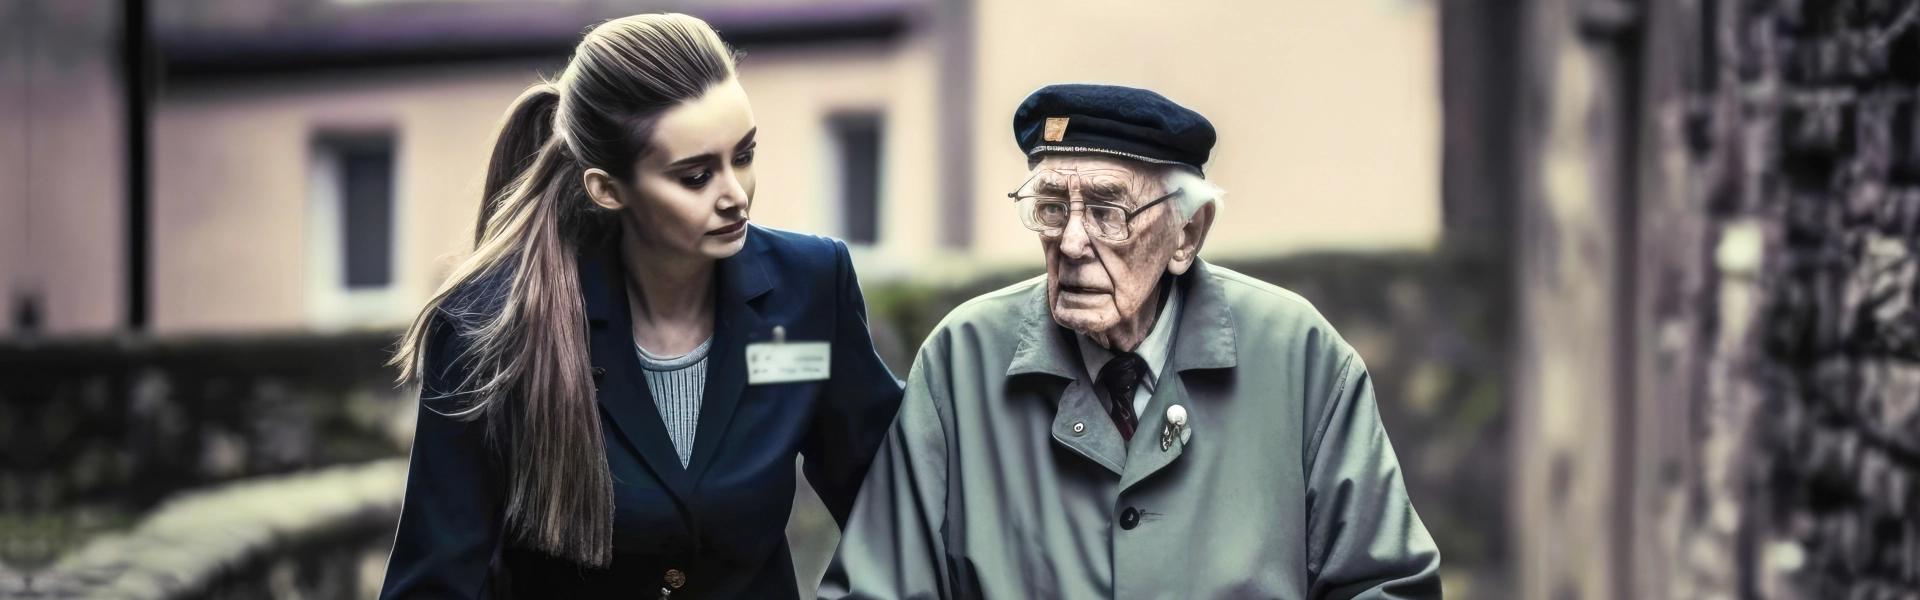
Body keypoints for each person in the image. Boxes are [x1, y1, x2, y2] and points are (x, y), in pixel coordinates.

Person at [821, 84, 1441, 599]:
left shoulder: (1300, 358)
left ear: (1186, 234)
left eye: (1107, 211)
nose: (1070, 243)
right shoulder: (961, 362)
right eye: (1053, 207)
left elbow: (1385, 584)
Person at [378, 14, 903, 599]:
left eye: (745, 154)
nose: (735, 194)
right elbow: (435, 581)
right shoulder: (487, 327)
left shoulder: (810, 286)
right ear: (607, 189)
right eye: (696, 175)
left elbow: (897, 505)